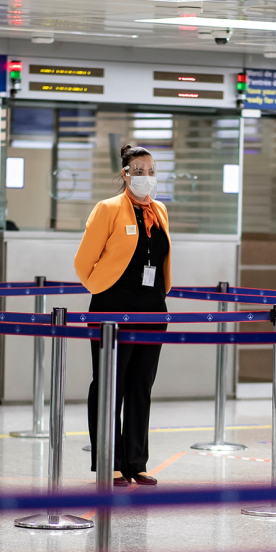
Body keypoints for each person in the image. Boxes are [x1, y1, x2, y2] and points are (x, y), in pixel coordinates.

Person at [74, 144, 171, 487]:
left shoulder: (158, 211)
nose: (147, 177)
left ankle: (136, 461)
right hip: (113, 310)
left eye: (152, 171)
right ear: (126, 174)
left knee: (140, 385)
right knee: (109, 385)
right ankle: (109, 461)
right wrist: (104, 291)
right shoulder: (108, 209)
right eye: (140, 172)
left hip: (153, 310)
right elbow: (83, 263)